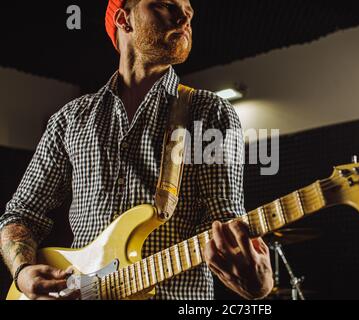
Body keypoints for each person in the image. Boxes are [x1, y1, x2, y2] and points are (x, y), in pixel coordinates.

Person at [0, 0, 273, 300]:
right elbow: (21, 214)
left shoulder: (210, 112)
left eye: (189, 10)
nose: (184, 16)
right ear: (123, 19)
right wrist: (23, 271)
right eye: (165, 5)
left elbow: (229, 223)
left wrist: (258, 282)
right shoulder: (70, 119)